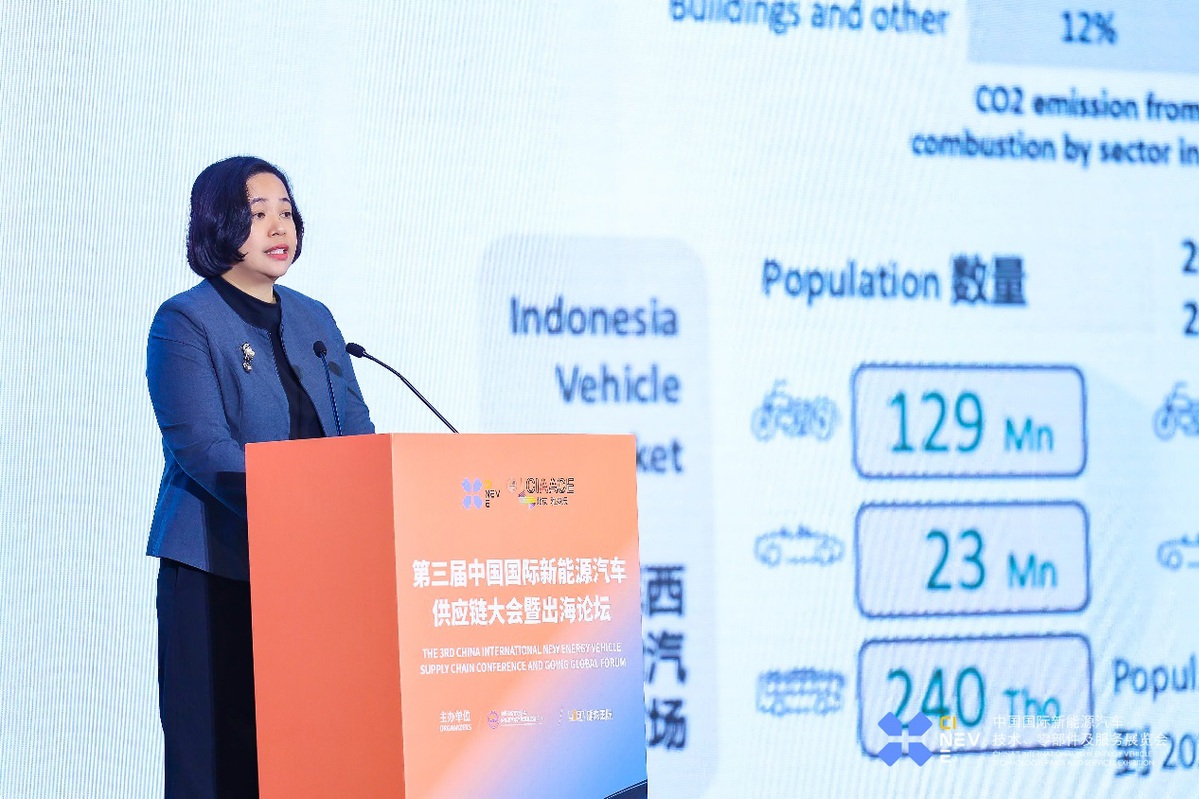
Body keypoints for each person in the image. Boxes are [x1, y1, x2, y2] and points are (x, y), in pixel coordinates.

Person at [146, 156, 374, 797]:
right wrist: (301, 507)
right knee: (217, 758)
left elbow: (356, 430)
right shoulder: (185, 321)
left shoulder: (314, 319)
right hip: (219, 569)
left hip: (314, 575)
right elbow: (202, 448)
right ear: (219, 223)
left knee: (309, 755)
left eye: (287, 212)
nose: (280, 227)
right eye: (258, 213)